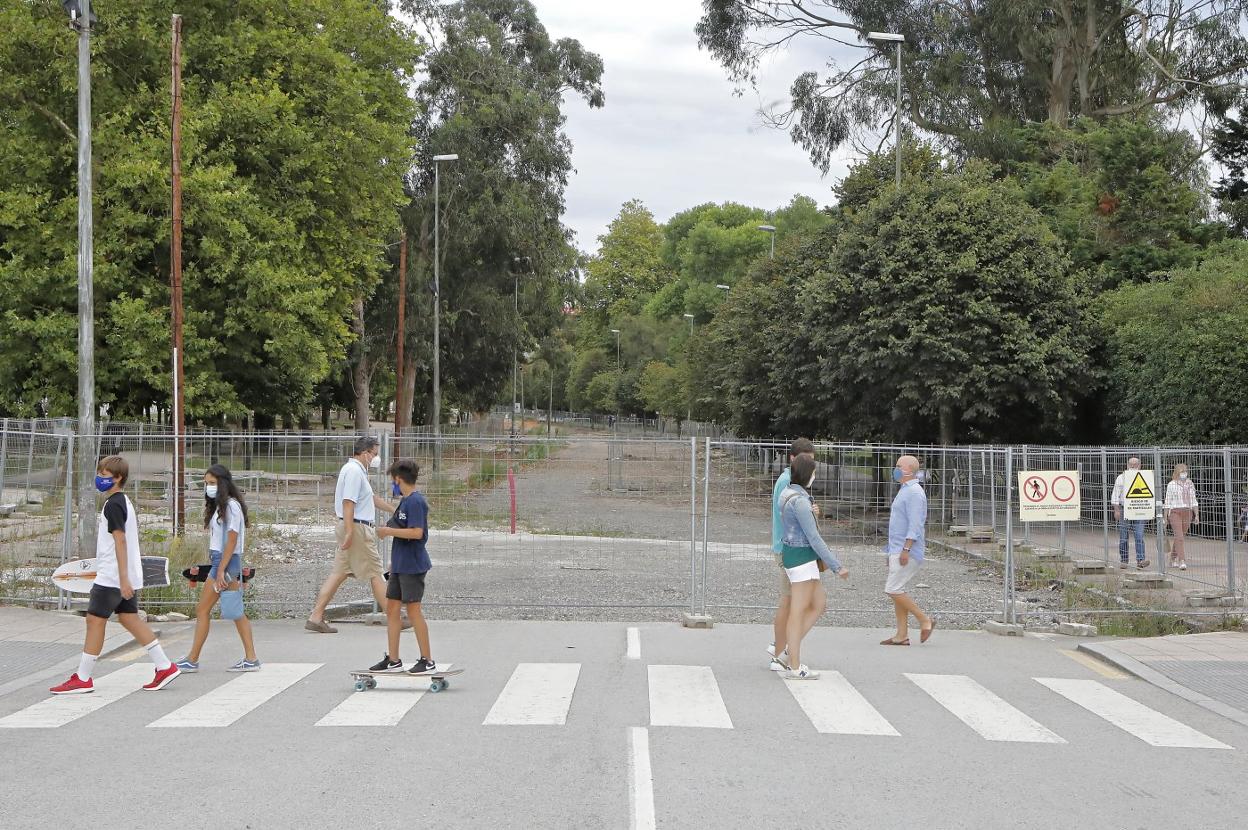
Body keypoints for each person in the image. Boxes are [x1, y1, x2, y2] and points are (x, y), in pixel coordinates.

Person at [50, 456, 180, 694]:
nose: (100, 478)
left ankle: (83, 677)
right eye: (99, 473)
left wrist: (122, 579)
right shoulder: (122, 502)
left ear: (118, 477)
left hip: (112, 576)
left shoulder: (114, 505)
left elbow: (120, 540)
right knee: (129, 618)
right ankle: (164, 666)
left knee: (94, 621)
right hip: (122, 574)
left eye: (105, 474)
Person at [174, 465, 260, 673]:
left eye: (212, 483)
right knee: (234, 611)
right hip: (224, 562)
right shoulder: (224, 507)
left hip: (225, 562)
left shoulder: (231, 507)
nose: (208, 487)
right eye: (206, 483)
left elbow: (231, 541)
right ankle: (250, 658)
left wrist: (220, 570)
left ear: (223, 483)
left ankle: (193, 659)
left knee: (204, 610)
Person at [306, 437, 396, 633]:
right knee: (376, 572)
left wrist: (393, 510)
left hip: (353, 527)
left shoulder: (355, 471)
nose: (376, 458)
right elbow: (349, 503)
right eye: (374, 454)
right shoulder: (355, 471)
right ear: (365, 453)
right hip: (357, 528)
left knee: (339, 573)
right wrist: (349, 531)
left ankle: (316, 616)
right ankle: (394, 617)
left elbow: (370, 498)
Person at [777, 454, 849, 679]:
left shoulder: (789, 494)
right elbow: (814, 537)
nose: (815, 476)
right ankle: (794, 665)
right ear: (808, 475)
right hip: (802, 558)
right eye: (814, 472)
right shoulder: (800, 501)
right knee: (798, 612)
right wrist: (837, 566)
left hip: (795, 555)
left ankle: (789, 651)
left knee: (819, 604)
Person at [368, 459, 436, 674]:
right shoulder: (405, 502)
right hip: (399, 564)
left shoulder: (416, 502)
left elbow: (417, 532)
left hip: (413, 565)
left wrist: (388, 532)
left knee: (414, 610)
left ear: (398, 479)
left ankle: (427, 659)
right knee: (393, 610)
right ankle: (394, 659)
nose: (392, 485)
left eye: (392, 481)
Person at [768, 438, 816, 671]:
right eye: (805, 459)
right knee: (789, 603)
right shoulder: (789, 481)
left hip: (786, 546)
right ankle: (781, 653)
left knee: (790, 602)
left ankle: (781, 650)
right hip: (790, 549)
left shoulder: (789, 480)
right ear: (793, 458)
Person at [881, 455, 935, 646]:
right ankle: (901, 635)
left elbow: (915, 524)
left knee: (892, 589)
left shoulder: (914, 493)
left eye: (898, 466)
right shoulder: (905, 490)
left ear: (909, 470)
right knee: (898, 589)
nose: (895, 469)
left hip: (907, 549)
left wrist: (906, 549)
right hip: (897, 547)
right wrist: (891, 551)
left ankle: (924, 619)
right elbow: (898, 524)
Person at [1110, 456, 1151, 570]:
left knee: (1139, 535)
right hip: (1124, 509)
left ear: (1140, 465)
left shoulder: (1145, 477)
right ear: (1127, 465)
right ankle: (1124, 560)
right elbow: (1115, 495)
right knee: (1123, 537)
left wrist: (1148, 511)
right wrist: (1116, 510)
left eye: (1135, 464)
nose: (1133, 466)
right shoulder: (1121, 478)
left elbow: (1149, 496)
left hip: (1139, 509)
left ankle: (1140, 560)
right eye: (1131, 464)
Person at [1163, 463, 1199, 571]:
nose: (1184, 474)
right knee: (1179, 537)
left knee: (1180, 537)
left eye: (1185, 471)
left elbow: (1194, 500)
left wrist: (1196, 515)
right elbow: (1167, 502)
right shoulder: (1171, 484)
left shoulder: (1190, 484)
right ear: (1177, 473)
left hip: (1188, 512)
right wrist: (1165, 518)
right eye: (1182, 472)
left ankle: (1173, 558)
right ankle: (1182, 560)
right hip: (1175, 512)